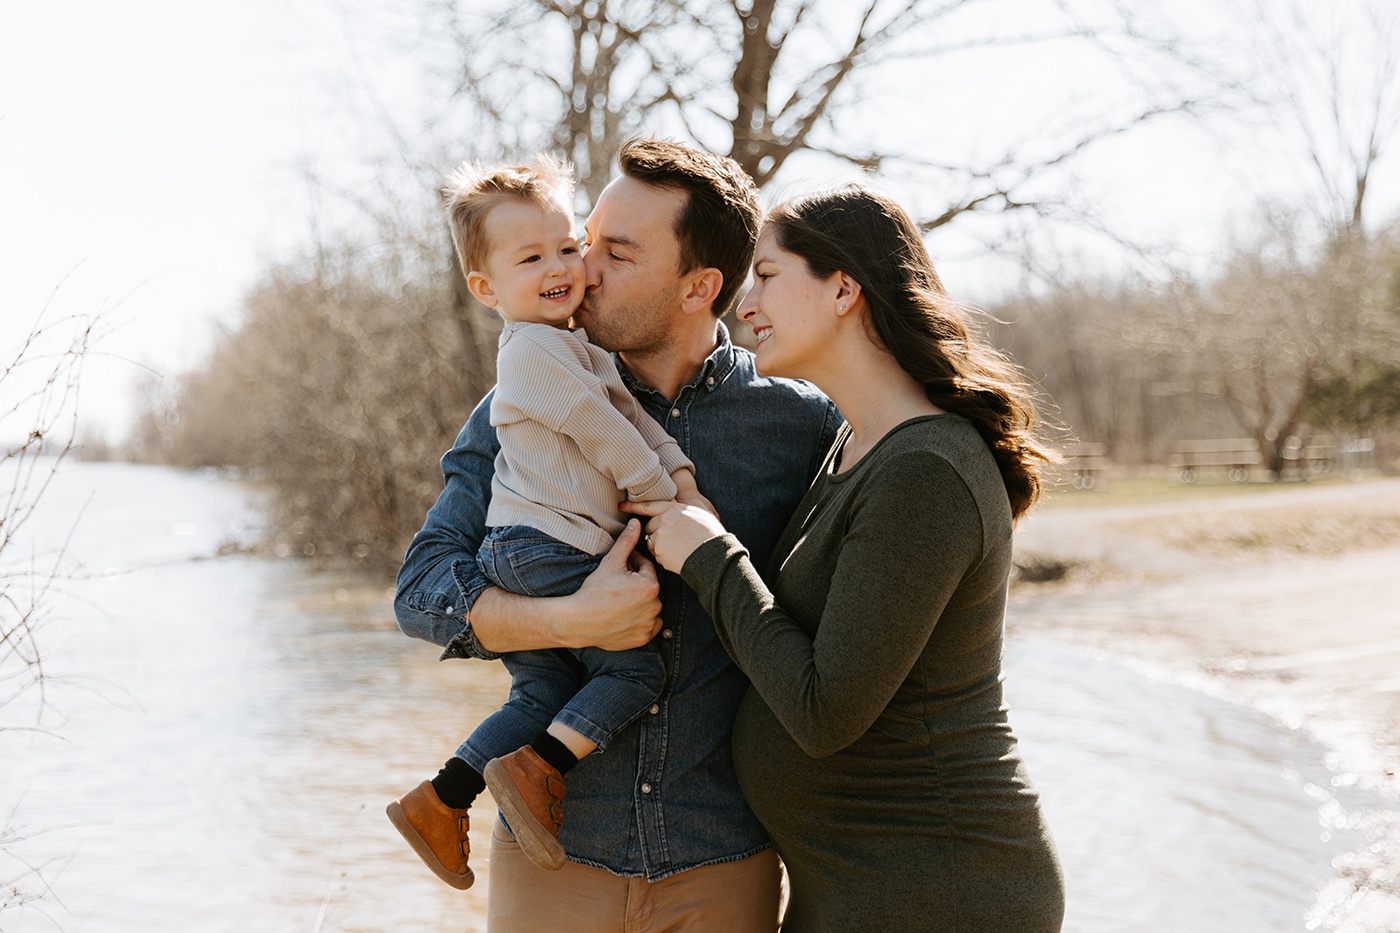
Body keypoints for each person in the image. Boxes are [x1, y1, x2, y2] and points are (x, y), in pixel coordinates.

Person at [393, 137, 841, 931]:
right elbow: (422, 593)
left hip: (723, 857)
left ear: (700, 285)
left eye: (614, 252)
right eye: (583, 240)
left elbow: (838, 644)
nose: (582, 266)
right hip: (555, 858)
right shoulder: (526, 393)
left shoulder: (798, 424)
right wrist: (569, 622)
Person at [623, 184, 1067, 932]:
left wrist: (711, 557)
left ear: (843, 288)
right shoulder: (854, 447)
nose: (744, 303)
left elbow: (826, 711)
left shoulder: (925, 469)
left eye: (767, 274)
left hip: (942, 892)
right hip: (860, 887)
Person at [387, 154, 708, 888]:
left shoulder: (578, 348)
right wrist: (661, 497)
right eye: (532, 256)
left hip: (533, 550)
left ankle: (443, 797)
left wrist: (682, 477)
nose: (562, 265)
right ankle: (538, 767)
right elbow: (606, 430)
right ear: (485, 286)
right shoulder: (531, 353)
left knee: (539, 694)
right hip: (544, 549)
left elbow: (629, 417)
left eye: (569, 246)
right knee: (635, 666)